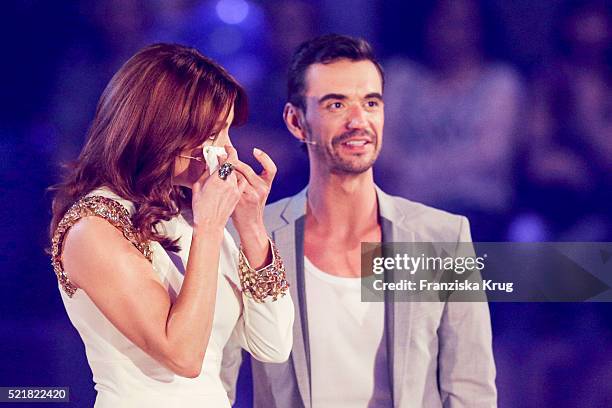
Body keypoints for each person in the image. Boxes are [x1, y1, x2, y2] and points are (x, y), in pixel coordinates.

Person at [223, 34, 497, 407]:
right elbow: (215, 380)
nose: (358, 120)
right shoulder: (251, 236)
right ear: (296, 121)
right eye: (336, 104)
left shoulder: (443, 238)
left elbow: (470, 389)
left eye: (371, 102)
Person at [48, 43, 294, 407]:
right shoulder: (93, 227)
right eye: (213, 135)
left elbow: (272, 345)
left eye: (227, 133)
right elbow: (182, 355)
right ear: (163, 131)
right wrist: (210, 229)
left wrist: (251, 227)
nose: (227, 152)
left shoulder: (189, 213)